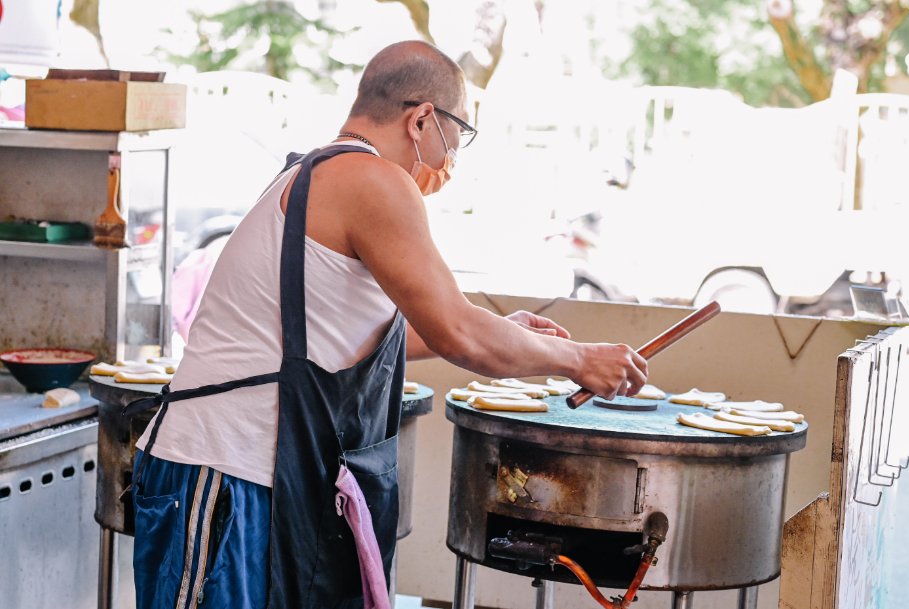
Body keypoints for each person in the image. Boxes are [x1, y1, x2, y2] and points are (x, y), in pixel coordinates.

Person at [128, 40, 648, 609]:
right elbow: (459, 332)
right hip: (222, 473)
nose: (453, 159)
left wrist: (515, 334)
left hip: (253, 473)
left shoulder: (320, 171)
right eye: (458, 136)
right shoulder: (369, 179)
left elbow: (386, 330)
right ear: (422, 117)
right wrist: (581, 360)